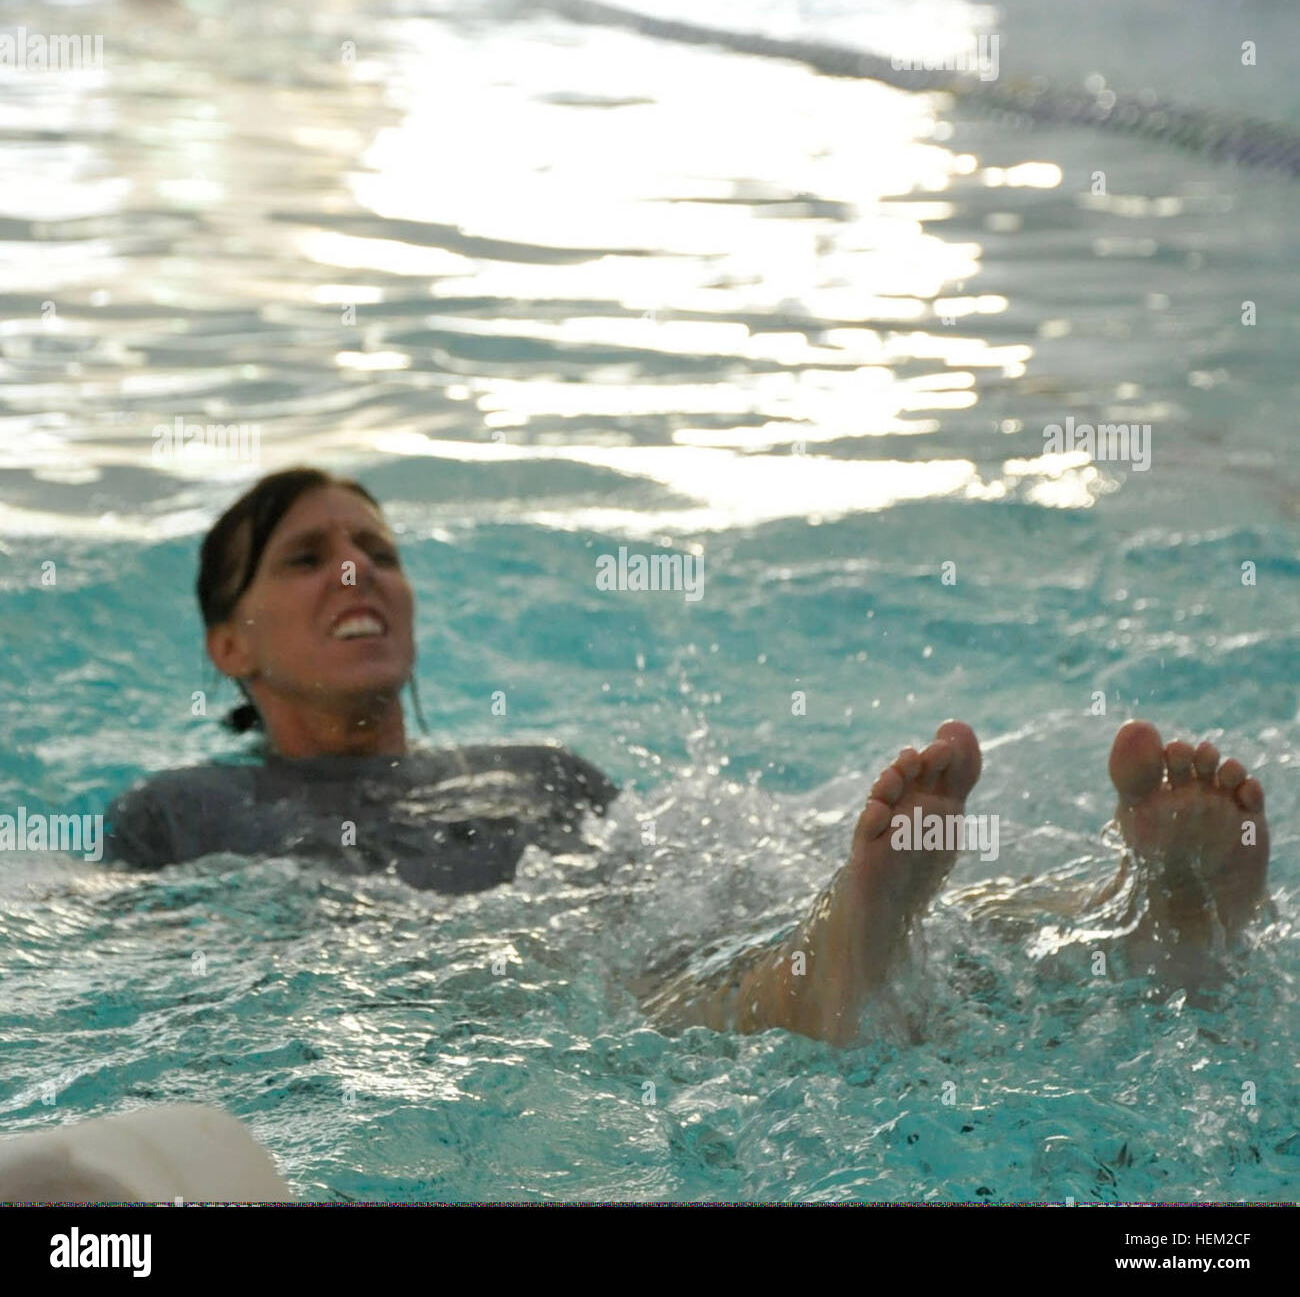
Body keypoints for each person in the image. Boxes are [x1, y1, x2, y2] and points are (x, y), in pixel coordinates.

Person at [104, 467, 1274, 1047]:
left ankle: (1141, 911)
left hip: (627, 932)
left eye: (376, 547)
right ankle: (835, 957)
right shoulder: (181, 809)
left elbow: (676, 868)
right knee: (601, 978)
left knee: (717, 913)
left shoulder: (544, 767)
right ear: (228, 641)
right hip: (443, 982)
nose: (357, 571)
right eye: (308, 558)